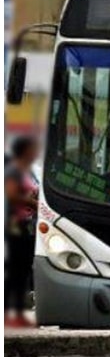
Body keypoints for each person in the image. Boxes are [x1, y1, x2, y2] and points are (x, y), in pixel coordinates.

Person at [5, 136, 39, 328]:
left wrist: (34, 195)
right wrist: (34, 203)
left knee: (24, 268)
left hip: (26, 224)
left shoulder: (26, 171)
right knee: (17, 268)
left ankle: (16, 310)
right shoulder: (14, 169)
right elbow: (11, 195)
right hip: (15, 225)